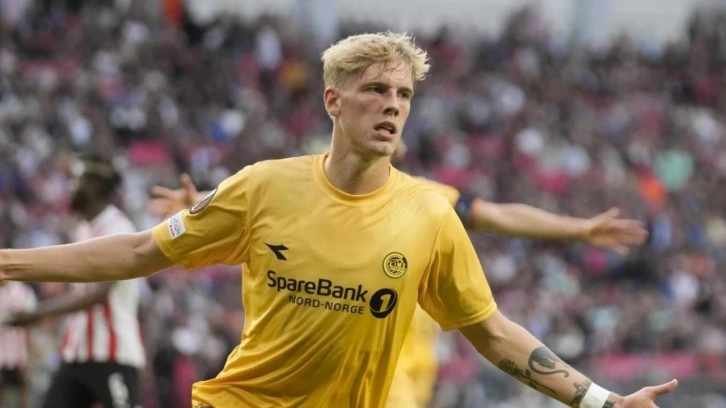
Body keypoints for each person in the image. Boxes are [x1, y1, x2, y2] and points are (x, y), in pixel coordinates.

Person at [0, 32, 676, 407]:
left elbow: (493, 332)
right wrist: (9, 263)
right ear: (332, 100)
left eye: (403, 94)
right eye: (375, 90)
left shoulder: (430, 211)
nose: (393, 105)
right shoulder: (263, 186)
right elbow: (135, 253)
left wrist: (601, 402)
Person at [149, 154, 648, 408]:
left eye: (401, 98)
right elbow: (274, 217)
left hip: (397, 374)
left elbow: (498, 217)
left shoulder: (426, 203)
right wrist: (201, 210)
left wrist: (578, 229)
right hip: (371, 381)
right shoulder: (304, 192)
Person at [5, 156, 145, 408]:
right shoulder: (83, 230)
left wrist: (37, 313)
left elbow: (97, 294)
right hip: (77, 351)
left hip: (112, 351)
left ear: (93, 186)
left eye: (75, 181)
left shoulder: (119, 229)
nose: (69, 187)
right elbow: (78, 291)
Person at [0, 281, 37, 408]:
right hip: (2, 351)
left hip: (19, 353)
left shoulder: (24, 292)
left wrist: (29, 358)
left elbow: (29, 328)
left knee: (22, 389)